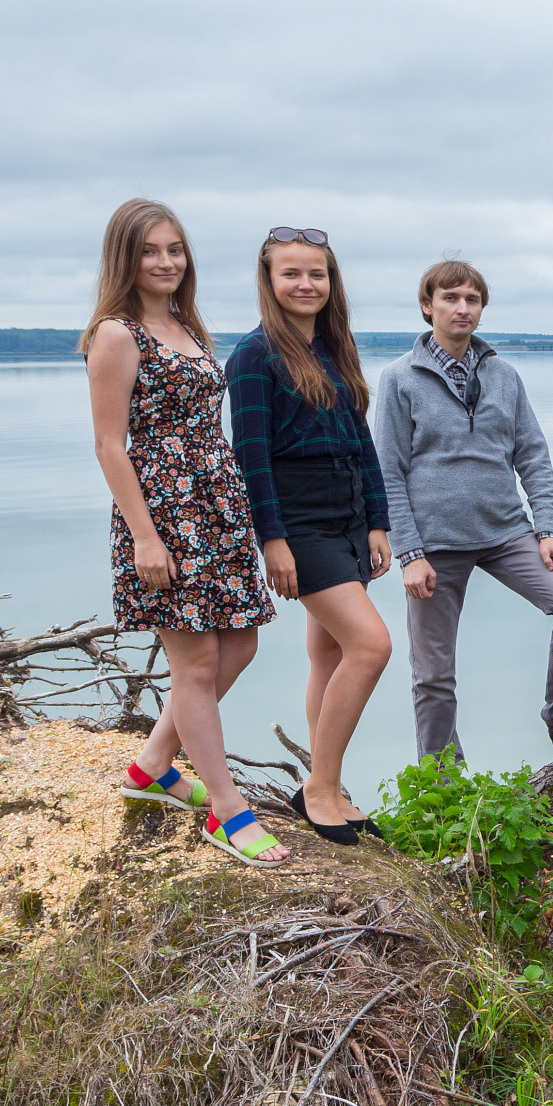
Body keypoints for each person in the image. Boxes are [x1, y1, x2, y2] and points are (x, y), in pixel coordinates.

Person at [84, 199, 283, 867]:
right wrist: (145, 537)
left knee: (243, 643)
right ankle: (227, 814)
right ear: (126, 259)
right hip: (164, 511)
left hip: (215, 502)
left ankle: (153, 763)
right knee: (195, 663)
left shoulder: (187, 324)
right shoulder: (117, 333)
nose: (166, 261)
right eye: (150, 251)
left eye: (175, 249)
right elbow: (111, 445)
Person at [373, 260, 553, 763]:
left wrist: (548, 531)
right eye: (450, 298)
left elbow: (532, 455)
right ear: (427, 307)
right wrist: (409, 553)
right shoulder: (399, 380)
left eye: (472, 300)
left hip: (505, 532)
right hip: (434, 545)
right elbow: (389, 471)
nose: (462, 308)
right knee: (433, 675)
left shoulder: (504, 375)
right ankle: (442, 785)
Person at [225, 228, 392, 845]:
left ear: (331, 281)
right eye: (291, 274)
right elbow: (251, 456)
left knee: (329, 654)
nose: (305, 285)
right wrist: (272, 541)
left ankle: (331, 783)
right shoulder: (252, 355)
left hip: (348, 516)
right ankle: (318, 790)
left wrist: (378, 520)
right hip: (299, 524)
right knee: (371, 647)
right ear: (269, 282)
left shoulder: (333, 347)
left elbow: (362, 442)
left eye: (316, 274)